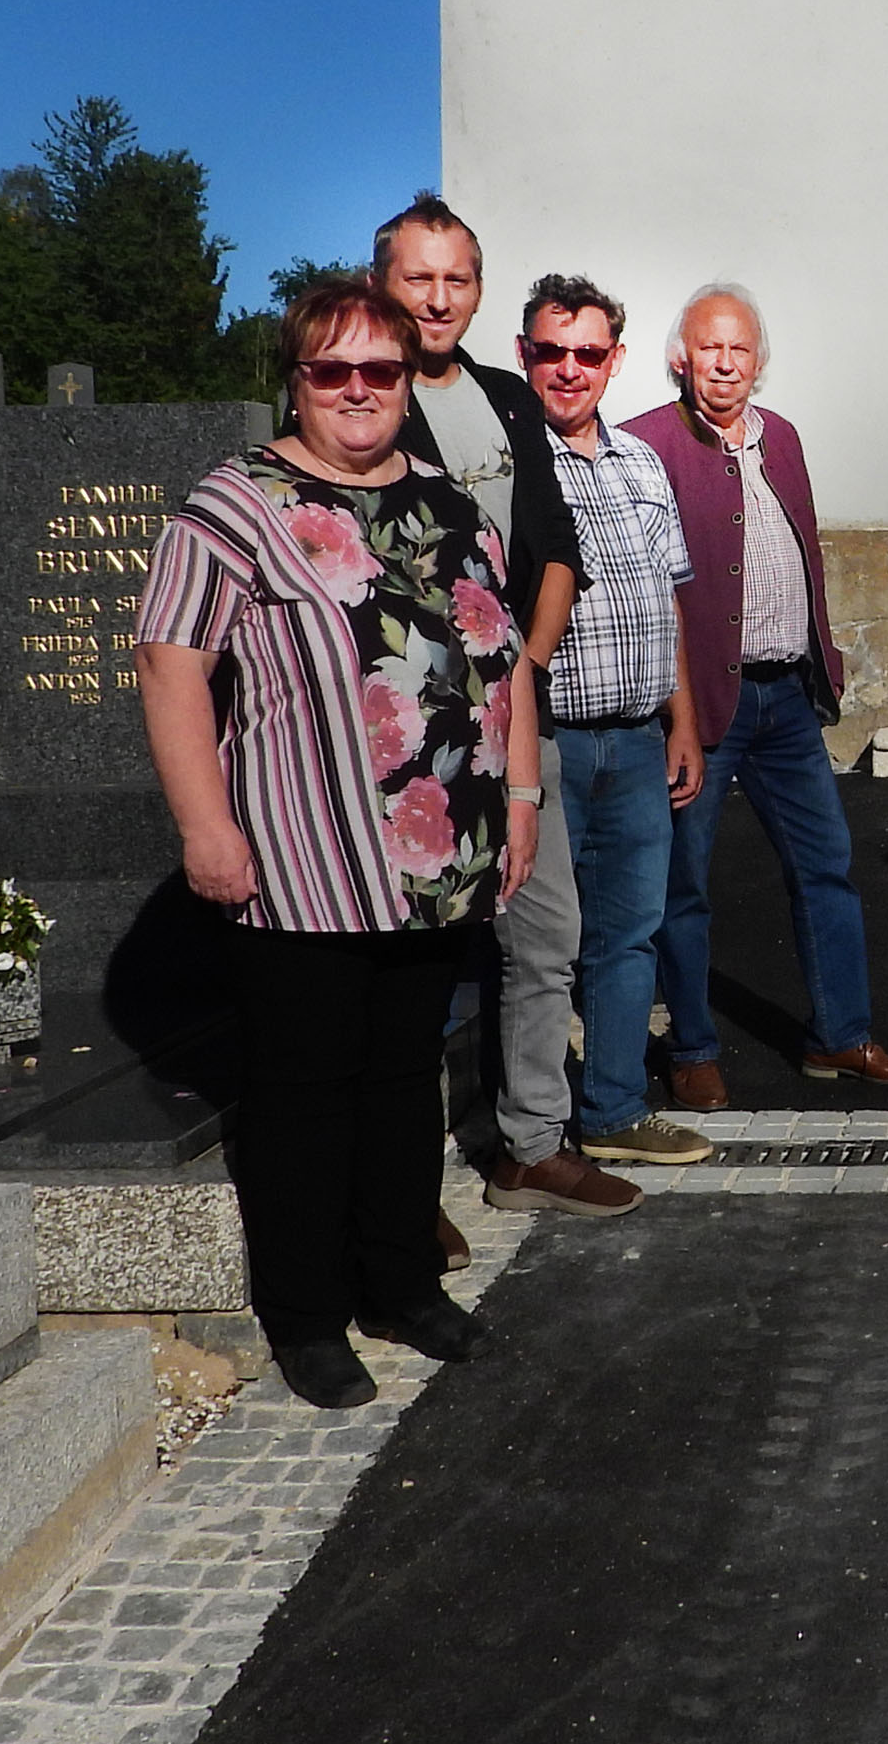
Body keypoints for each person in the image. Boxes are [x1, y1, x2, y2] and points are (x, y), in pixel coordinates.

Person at [136, 277, 540, 1409]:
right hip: (301, 857)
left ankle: (400, 1281)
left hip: (437, 855)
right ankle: (308, 1313)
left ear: (411, 380)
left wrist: (519, 800)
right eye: (333, 370)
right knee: (307, 1090)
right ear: (296, 379)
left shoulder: (454, 504)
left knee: (407, 1079)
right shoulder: (234, 505)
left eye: (382, 370)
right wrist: (204, 824)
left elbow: (504, 670)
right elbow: (173, 666)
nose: (359, 391)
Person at [374, 195, 634, 1222]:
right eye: (418, 277)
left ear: (479, 290)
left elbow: (555, 548)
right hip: (412, 729)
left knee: (547, 928)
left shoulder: (505, 397)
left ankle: (530, 1143)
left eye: (457, 279)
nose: (438, 298)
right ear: (384, 280)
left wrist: (520, 671)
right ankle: (403, 1179)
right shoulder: (365, 398)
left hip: (521, 711)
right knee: (418, 954)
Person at [629, 285, 888, 1100]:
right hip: (700, 712)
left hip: (787, 698)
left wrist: (821, 660)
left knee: (825, 867)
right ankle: (692, 1050)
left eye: (739, 349)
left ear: (758, 363)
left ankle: (840, 1037)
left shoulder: (784, 438)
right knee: (683, 886)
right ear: (679, 359)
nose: (724, 362)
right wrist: (668, 712)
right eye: (708, 348)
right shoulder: (643, 446)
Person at [518, 272, 714, 1167]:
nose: (568, 369)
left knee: (629, 935)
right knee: (543, 950)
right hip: (551, 743)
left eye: (586, 353)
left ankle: (614, 1111)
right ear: (523, 356)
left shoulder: (641, 462)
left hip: (636, 741)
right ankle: (528, 1130)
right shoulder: (509, 466)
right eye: (550, 352)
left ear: (615, 361)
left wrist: (681, 720)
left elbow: (667, 601)